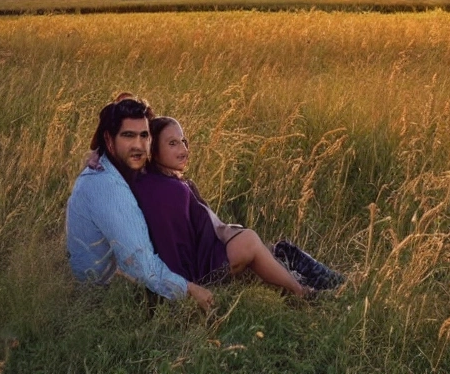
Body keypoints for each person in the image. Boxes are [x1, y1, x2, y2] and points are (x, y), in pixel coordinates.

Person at [133, 116, 345, 301]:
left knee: (279, 251)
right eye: (173, 143)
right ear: (153, 150)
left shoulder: (166, 182)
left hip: (202, 262)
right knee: (250, 241)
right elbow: (175, 244)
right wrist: (187, 286)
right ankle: (302, 293)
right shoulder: (167, 190)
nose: (183, 149)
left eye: (183, 141)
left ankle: (337, 285)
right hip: (198, 274)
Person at [66, 96, 215, 311]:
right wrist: (191, 290)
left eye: (144, 136)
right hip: (100, 301)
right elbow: (142, 267)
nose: (138, 146)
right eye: (128, 136)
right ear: (109, 139)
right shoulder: (109, 188)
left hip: (110, 283)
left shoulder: (106, 166)